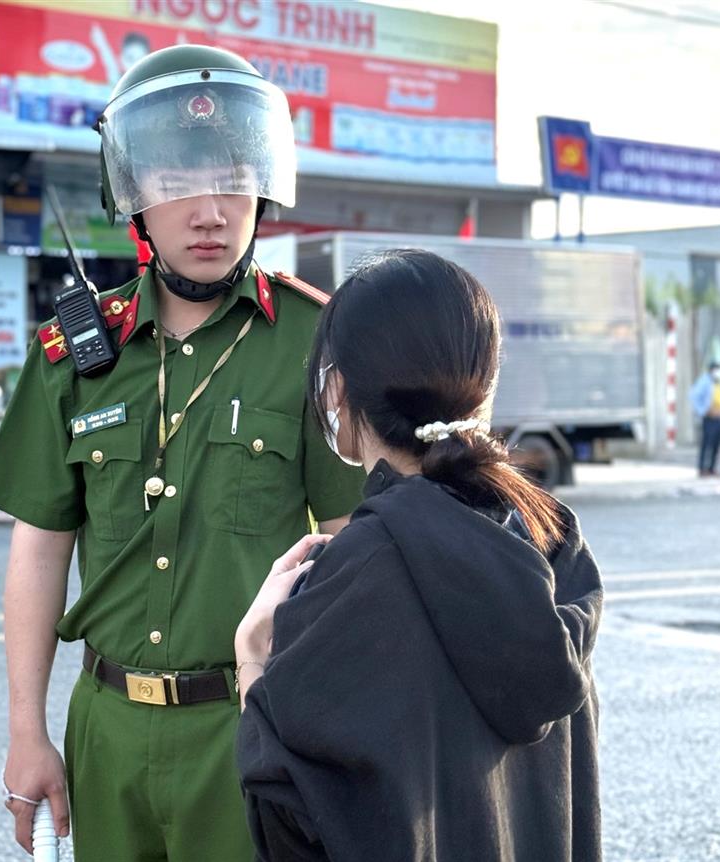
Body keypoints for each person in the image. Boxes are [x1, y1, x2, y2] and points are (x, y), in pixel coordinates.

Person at [0, 44, 363, 860]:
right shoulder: (72, 355)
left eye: (229, 180)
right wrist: (26, 733)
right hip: (105, 732)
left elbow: (351, 547)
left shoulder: (316, 344)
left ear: (262, 186)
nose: (209, 212)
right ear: (135, 199)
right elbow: (39, 550)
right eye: (177, 185)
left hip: (254, 726)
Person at [235, 249, 604, 862]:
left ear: (340, 390)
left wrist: (252, 662)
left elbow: (291, 818)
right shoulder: (549, 540)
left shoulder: (354, 576)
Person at [689, 360, 720, 477]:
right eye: (717, 369)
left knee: (716, 445)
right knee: (707, 444)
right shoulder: (704, 381)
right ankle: (702, 469)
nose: (719, 372)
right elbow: (693, 396)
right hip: (709, 418)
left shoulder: (718, 382)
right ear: (712, 370)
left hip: (719, 417)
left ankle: (712, 468)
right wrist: (704, 411)